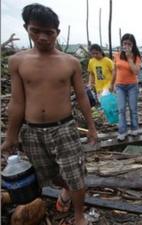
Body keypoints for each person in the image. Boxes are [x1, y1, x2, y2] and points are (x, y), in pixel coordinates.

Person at [1, 4, 97, 225]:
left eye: (49, 32)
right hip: (32, 131)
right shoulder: (18, 61)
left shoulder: (70, 62)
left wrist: (92, 127)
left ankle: (79, 215)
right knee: (47, 175)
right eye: (36, 31)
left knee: (75, 174)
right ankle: (65, 191)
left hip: (63, 128)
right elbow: (17, 102)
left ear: (57, 33)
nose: (43, 37)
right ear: (27, 28)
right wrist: (10, 136)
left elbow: (82, 97)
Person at [110, 33, 142, 141]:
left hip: (132, 86)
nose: (126, 46)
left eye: (129, 44)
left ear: (133, 45)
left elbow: (136, 71)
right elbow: (115, 70)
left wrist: (129, 58)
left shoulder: (136, 56)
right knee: (121, 109)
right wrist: (111, 83)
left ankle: (134, 129)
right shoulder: (117, 55)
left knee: (133, 109)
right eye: (124, 43)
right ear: (121, 44)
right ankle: (122, 131)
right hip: (120, 86)